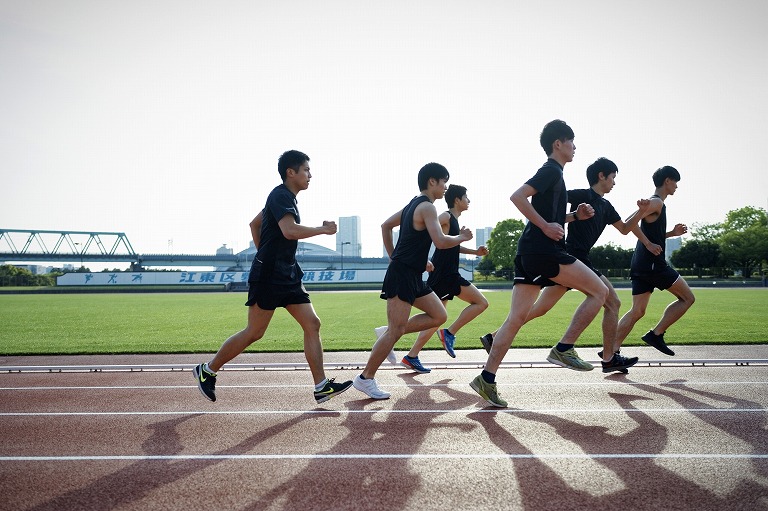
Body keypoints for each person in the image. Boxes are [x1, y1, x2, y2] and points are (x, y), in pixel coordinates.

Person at [469, 119, 611, 408]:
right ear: (557, 144)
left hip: (529, 253)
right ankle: (564, 347)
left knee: (515, 319)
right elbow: (517, 196)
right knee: (600, 292)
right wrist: (546, 226)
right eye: (571, 142)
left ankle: (487, 378)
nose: (575, 147)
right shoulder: (550, 170)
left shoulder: (557, 176)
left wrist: (573, 218)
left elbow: (552, 218)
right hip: (545, 251)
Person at [193, 150, 353, 404]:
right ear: (291, 172)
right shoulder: (280, 195)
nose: (310, 175)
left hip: (287, 273)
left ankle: (321, 385)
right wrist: (322, 230)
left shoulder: (283, 198)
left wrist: (265, 251)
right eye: (306, 170)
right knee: (254, 332)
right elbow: (289, 231)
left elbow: (255, 224)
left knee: (312, 323)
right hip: (269, 276)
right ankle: (208, 370)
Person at [480, 157, 651, 374]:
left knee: (541, 308)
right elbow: (552, 207)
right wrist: (560, 219)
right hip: (569, 256)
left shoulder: (607, 207)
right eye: (613, 178)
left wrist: (642, 212)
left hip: (575, 258)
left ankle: (493, 337)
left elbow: (625, 229)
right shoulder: (579, 194)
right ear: (601, 176)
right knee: (612, 302)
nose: (614, 183)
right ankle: (606, 357)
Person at [353, 163, 473, 399]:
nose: (445, 187)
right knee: (396, 331)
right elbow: (439, 241)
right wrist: (461, 237)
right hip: (402, 274)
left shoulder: (412, 205)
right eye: (443, 182)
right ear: (432, 182)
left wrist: (400, 256)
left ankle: (386, 333)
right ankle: (365, 378)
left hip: (413, 274)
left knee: (439, 316)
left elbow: (386, 226)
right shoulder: (427, 206)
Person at [392, 184, 489, 374]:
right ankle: (448, 333)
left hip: (446, 273)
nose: (469, 201)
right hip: (445, 274)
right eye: (466, 197)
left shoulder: (453, 221)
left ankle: (411, 355)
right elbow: (428, 232)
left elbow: (450, 244)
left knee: (435, 319)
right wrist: (423, 257)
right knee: (481, 303)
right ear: (457, 200)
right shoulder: (445, 216)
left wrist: (474, 251)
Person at [612, 166, 695, 356]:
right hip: (652, 265)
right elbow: (628, 223)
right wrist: (648, 244)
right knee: (687, 298)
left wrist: (671, 234)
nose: (676, 187)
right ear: (667, 181)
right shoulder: (656, 203)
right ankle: (656, 334)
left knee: (637, 311)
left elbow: (648, 231)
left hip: (641, 263)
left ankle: (611, 350)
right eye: (675, 182)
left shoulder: (657, 204)